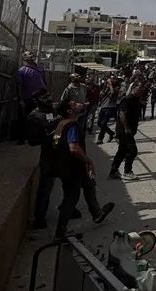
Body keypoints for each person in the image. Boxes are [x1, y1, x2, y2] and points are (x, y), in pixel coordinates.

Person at [52, 100, 114, 240]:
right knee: (71, 198)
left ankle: (97, 213)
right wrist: (88, 161)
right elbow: (73, 148)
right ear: (69, 111)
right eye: (74, 104)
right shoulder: (72, 126)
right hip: (73, 167)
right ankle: (60, 233)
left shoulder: (62, 123)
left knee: (89, 184)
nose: (79, 104)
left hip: (67, 165)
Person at [27, 93, 58, 229]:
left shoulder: (53, 110)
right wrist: (48, 137)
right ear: (37, 101)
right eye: (45, 98)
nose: (49, 99)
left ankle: (69, 208)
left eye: (49, 96)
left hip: (60, 153)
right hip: (49, 156)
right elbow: (32, 141)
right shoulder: (34, 117)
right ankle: (39, 218)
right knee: (45, 188)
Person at [110, 82, 147, 181]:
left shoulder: (136, 99)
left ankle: (113, 171)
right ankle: (127, 171)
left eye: (142, 89)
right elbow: (122, 114)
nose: (140, 91)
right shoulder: (127, 99)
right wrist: (126, 128)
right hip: (124, 130)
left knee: (122, 150)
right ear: (133, 88)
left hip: (129, 130)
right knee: (132, 151)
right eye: (139, 89)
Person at [15, 51, 48, 144]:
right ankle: (22, 138)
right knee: (24, 118)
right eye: (29, 54)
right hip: (27, 98)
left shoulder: (39, 70)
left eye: (32, 54)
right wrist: (21, 100)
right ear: (24, 58)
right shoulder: (22, 71)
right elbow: (19, 85)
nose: (32, 55)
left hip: (39, 98)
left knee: (39, 118)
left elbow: (44, 83)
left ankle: (35, 137)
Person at [95, 76, 123, 145]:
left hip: (110, 107)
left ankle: (100, 139)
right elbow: (101, 95)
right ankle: (112, 133)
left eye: (113, 79)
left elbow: (113, 93)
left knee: (104, 123)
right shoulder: (106, 87)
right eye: (111, 79)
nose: (111, 80)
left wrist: (110, 85)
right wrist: (105, 89)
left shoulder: (117, 87)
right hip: (103, 106)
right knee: (99, 123)